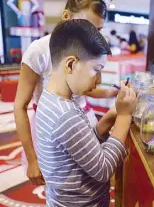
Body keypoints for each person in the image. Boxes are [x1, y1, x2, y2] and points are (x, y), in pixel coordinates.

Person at [14, 0, 120, 186]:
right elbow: (20, 105)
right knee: (61, 181)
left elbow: (84, 87)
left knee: (89, 179)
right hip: (53, 126)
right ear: (66, 16)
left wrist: (110, 92)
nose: (92, 37)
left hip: (84, 119)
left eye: (98, 31)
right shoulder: (38, 51)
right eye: (86, 26)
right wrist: (32, 159)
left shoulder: (88, 51)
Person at [36, 18, 136, 207]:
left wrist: (111, 115)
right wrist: (124, 117)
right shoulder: (65, 115)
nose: (98, 80)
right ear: (71, 64)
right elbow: (103, 169)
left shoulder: (53, 99)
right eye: (96, 70)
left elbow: (83, 146)